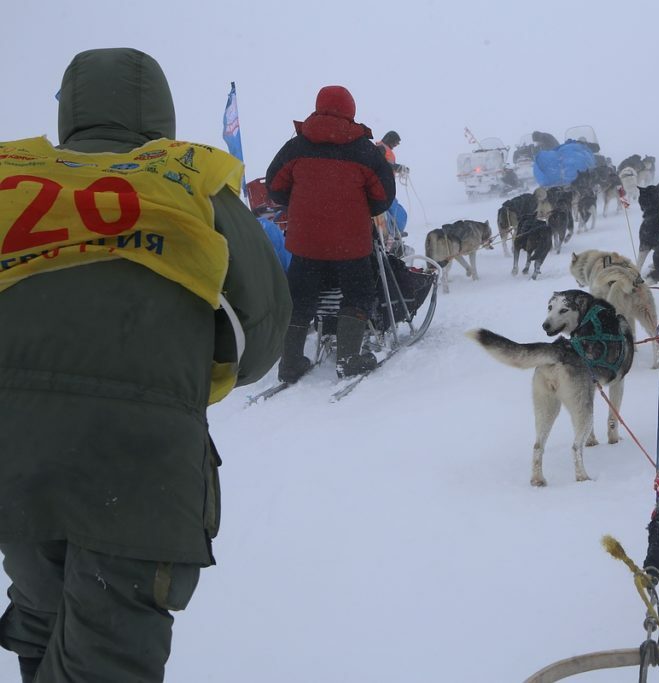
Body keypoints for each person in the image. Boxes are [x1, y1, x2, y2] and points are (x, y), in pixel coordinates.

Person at [0, 48, 290, 683]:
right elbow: (262, 340)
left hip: (11, 457)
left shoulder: (10, 181)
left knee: (42, 603)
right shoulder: (191, 186)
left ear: (68, 108)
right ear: (161, 111)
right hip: (137, 466)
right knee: (107, 650)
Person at [267, 86, 396, 382]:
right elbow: (384, 196)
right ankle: (348, 358)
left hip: (305, 242)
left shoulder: (296, 147)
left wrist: (299, 205)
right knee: (358, 294)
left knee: (299, 299)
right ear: (350, 110)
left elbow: (274, 186)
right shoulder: (364, 150)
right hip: (350, 243)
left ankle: (289, 364)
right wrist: (361, 206)